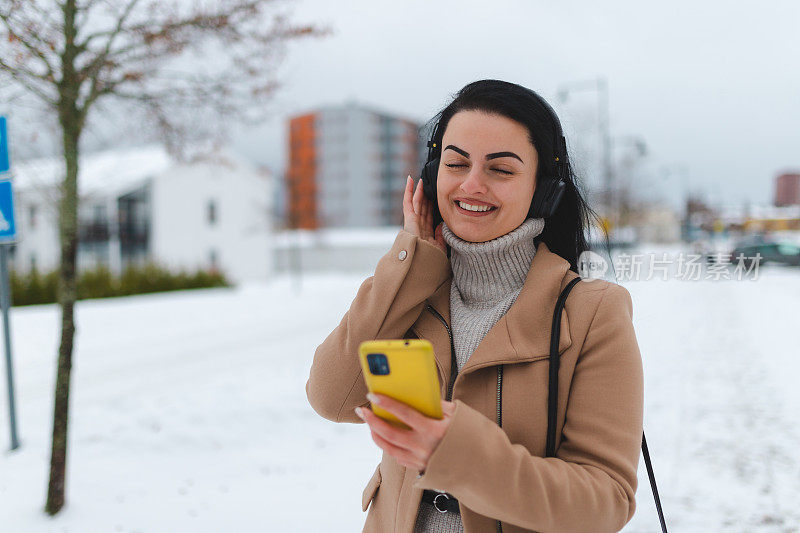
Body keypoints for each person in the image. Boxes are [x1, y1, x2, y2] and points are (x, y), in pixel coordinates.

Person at [306, 79, 644, 533]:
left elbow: (605, 500)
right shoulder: (412, 291)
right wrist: (410, 261)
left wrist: (460, 453)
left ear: (543, 189)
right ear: (432, 175)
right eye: (455, 163)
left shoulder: (591, 313)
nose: (471, 184)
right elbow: (333, 398)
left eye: (501, 169)